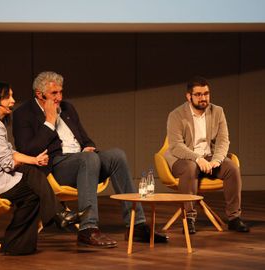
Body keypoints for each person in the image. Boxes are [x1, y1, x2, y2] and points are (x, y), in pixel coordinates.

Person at [12, 71, 168, 248]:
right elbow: (27, 150)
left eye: (61, 92)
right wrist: (49, 121)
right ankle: (88, 228)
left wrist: (89, 146)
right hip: (56, 165)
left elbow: (85, 138)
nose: (59, 97)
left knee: (117, 155)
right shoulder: (23, 114)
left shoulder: (68, 108)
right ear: (40, 94)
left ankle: (136, 225)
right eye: (54, 93)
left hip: (84, 159)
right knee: (88, 159)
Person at [0, 82, 85, 255]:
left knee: (33, 188)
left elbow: (9, 152)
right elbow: (8, 163)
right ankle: (54, 217)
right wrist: (30, 163)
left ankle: (20, 243)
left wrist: (34, 159)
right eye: (8, 97)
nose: (13, 101)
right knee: (33, 184)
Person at [164, 76, 249, 234]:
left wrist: (216, 161)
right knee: (190, 168)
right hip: (183, 159)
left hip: (209, 157)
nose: (203, 98)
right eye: (198, 94)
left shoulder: (217, 111)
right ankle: (189, 218)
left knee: (232, 168)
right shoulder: (176, 115)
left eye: (206, 94)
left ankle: (234, 218)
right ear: (189, 96)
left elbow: (223, 140)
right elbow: (176, 146)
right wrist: (197, 158)